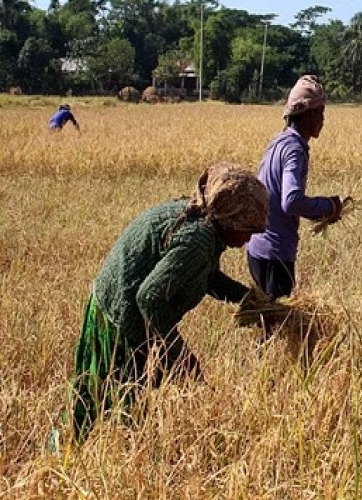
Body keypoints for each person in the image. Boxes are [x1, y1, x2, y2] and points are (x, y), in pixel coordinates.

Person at [70, 162, 268, 441]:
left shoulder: (205, 225)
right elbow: (149, 298)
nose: (249, 238)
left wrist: (248, 299)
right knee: (106, 401)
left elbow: (206, 276)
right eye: (247, 229)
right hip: (119, 317)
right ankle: (66, 455)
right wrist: (178, 354)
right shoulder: (198, 240)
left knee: (118, 399)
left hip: (119, 305)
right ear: (229, 218)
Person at [247, 75, 343, 300]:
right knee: (279, 327)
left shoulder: (278, 142)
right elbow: (290, 201)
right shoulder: (294, 150)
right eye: (319, 112)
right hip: (275, 253)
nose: (322, 119)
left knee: (270, 324)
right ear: (307, 113)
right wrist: (328, 206)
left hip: (257, 249)